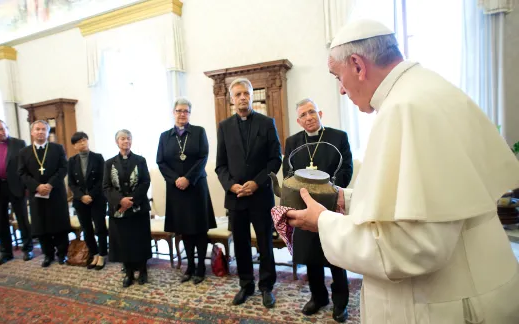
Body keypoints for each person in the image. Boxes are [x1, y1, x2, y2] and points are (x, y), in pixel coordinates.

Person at [285, 19, 519, 323]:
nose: (341, 90)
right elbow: (419, 202)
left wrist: (324, 222)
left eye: (337, 77)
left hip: (443, 305)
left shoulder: (404, 108)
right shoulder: (428, 88)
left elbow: (415, 246)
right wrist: (347, 200)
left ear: (357, 65)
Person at [215, 77, 282, 308]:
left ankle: (266, 287)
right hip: (236, 197)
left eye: (246, 93)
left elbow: (275, 159)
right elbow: (220, 165)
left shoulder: (267, 123)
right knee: (241, 244)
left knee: (265, 244)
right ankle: (246, 284)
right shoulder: (224, 127)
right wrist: (231, 185)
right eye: (238, 94)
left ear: (252, 95)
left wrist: (257, 182)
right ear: (232, 99)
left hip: (261, 195)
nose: (242, 97)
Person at [283, 98, 352, 321]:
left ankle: (340, 302)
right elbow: (288, 173)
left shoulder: (337, 137)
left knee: (335, 255)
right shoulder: (293, 142)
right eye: (303, 115)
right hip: (304, 205)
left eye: (311, 112)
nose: (308, 117)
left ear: (320, 113)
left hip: (331, 205)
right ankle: (318, 297)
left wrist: (328, 193)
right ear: (298, 120)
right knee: (311, 254)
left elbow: (346, 169)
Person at [157, 98, 217, 285]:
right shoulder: (165, 136)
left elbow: (203, 157)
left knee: (199, 229)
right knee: (184, 230)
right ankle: (189, 266)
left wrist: (188, 179)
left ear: (190, 113)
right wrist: (176, 180)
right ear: (173, 112)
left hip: (196, 187)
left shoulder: (199, 132)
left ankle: (200, 267)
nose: (182, 114)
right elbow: (161, 161)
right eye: (179, 110)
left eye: (186, 111)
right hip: (176, 190)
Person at [0, 119, 33, 266]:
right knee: (1, 222)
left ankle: (28, 249)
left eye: (2, 129)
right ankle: (6, 252)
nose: (0, 132)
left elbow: (27, 167)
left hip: (16, 187)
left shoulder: (19, 144)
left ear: (7, 128)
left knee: (22, 220)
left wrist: (28, 187)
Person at [18, 120, 71, 267]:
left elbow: (63, 168)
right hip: (37, 195)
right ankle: (48, 255)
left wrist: (50, 184)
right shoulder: (24, 152)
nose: (40, 132)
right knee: (41, 226)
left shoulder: (57, 148)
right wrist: (37, 186)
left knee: (59, 224)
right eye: (37, 129)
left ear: (48, 132)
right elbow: (22, 173)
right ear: (32, 132)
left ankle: (62, 254)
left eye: (43, 129)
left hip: (55, 193)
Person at [104, 129, 152, 287]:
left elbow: (145, 182)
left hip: (138, 208)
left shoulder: (140, 160)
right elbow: (106, 187)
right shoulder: (109, 163)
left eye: (129, 139)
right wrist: (120, 200)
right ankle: (129, 273)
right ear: (117, 142)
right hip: (119, 210)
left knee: (140, 240)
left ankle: (143, 271)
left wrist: (131, 200)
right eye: (123, 139)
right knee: (124, 242)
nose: (126, 142)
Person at [68, 132, 107, 270]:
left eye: (84, 140)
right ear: (74, 146)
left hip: (97, 199)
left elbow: (103, 179)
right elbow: (71, 183)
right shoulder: (72, 161)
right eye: (78, 142)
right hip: (80, 201)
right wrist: (81, 196)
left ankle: (102, 255)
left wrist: (90, 195)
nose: (82, 143)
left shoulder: (98, 158)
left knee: (100, 228)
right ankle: (94, 254)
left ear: (88, 141)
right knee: (87, 229)